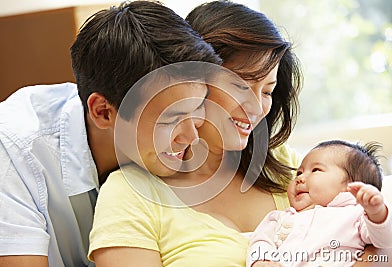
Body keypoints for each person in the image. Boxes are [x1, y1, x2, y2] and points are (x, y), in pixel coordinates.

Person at [0, 1, 222, 266]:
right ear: (103, 112)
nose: (192, 137)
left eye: (197, 108)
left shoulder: (182, 146)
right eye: (171, 119)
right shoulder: (11, 149)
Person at [88, 1, 303, 266]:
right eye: (239, 86)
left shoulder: (288, 167)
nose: (257, 108)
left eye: (268, 91)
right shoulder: (130, 194)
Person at [247, 140, 392, 267]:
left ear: (352, 185)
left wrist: (377, 212)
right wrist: (261, 260)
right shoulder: (279, 218)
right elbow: (260, 240)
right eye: (299, 173)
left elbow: (383, 240)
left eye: (316, 170)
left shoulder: (355, 214)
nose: (300, 178)